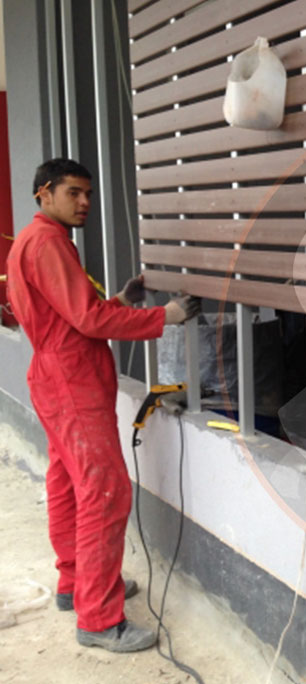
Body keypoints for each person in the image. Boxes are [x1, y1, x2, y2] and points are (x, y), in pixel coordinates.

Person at [6, 158, 201, 653]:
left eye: (88, 193)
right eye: (74, 192)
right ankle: (97, 617)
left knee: (68, 482)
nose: (85, 202)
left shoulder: (35, 240)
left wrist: (122, 300)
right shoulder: (49, 243)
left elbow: (70, 316)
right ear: (44, 193)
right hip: (72, 382)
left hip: (55, 376)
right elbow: (87, 321)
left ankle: (76, 584)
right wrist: (164, 316)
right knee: (105, 491)